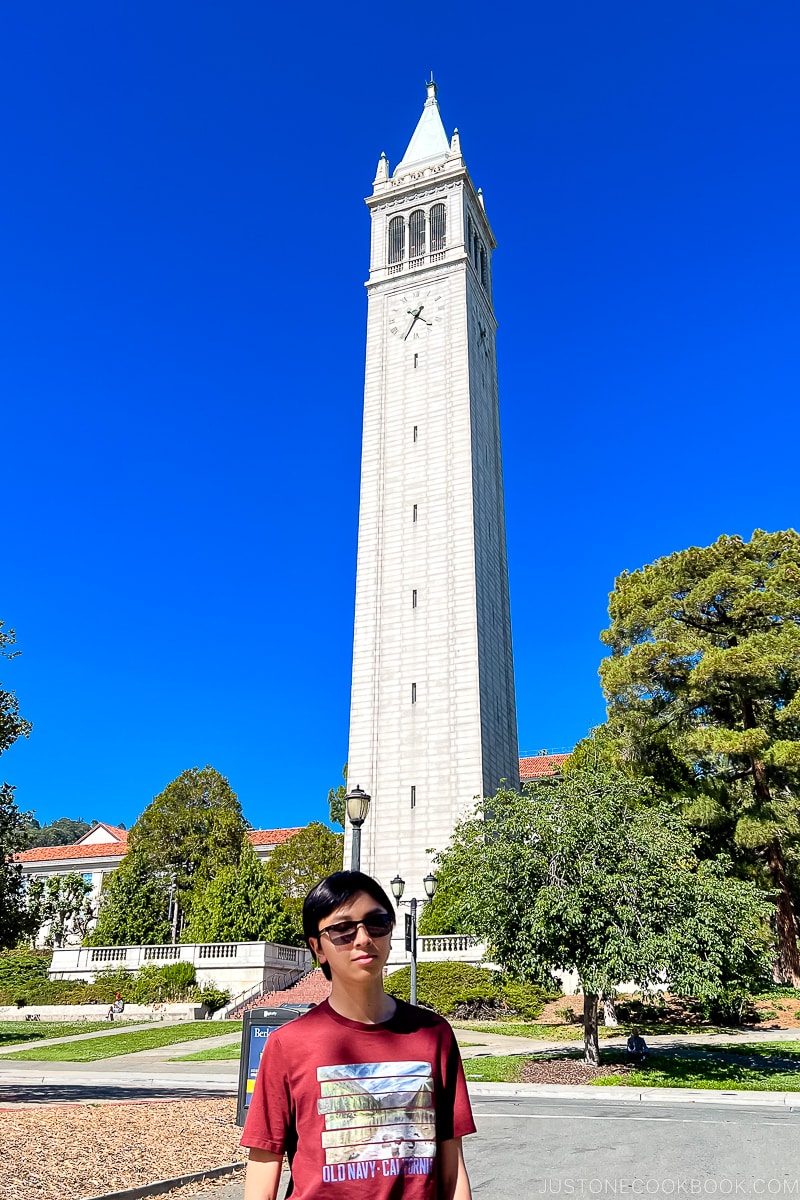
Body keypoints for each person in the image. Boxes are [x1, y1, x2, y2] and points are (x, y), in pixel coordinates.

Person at [241, 870, 476, 1200]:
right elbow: (263, 1171)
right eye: (342, 930)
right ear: (317, 948)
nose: (363, 938)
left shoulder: (434, 1035)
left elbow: (453, 1171)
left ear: (390, 933)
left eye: (376, 922)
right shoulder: (287, 1044)